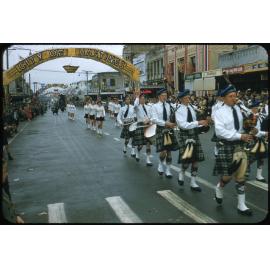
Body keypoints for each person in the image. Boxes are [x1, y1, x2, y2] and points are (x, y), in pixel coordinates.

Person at [213, 85, 254, 216]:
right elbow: (220, 132)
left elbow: (251, 118)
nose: (234, 98)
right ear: (223, 98)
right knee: (227, 176)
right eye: (230, 96)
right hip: (227, 145)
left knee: (241, 176)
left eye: (235, 96)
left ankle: (241, 205)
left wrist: (252, 127)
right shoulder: (219, 113)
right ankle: (220, 187)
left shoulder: (239, 108)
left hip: (241, 145)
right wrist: (239, 135)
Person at [175, 90, 208, 191]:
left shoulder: (192, 108)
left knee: (196, 159)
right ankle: (182, 171)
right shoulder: (178, 110)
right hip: (184, 135)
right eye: (186, 97)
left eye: (189, 97)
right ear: (181, 99)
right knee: (186, 160)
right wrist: (198, 123)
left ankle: (193, 182)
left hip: (194, 134)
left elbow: (197, 119)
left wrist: (204, 122)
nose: (188, 99)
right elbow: (183, 125)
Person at [151, 89, 179, 178]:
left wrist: (174, 121)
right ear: (159, 96)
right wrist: (166, 123)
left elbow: (173, 116)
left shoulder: (169, 105)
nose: (165, 97)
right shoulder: (154, 107)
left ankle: (168, 170)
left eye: (166, 95)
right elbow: (154, 119)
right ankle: (160, 164)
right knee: (163, 151)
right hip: (160, 129)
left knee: (169, 151)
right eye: (163, 95)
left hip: (169, 129)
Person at [246, 100, 268, 182]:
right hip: (250, 139)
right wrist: (265, 133)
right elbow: (253, 131)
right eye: (257, 107)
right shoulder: (249, 116)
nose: (259, 108)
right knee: (250, 158)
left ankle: (259, 175)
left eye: (259, 107)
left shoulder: (259, 116)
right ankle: (245, 171)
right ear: (252, 108)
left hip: (259, 139)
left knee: (261, 157)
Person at [132, 90, 153, 166]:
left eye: (144, 99)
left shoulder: (149, 107)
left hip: (147, 125)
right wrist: (137, 97)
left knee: (148, 143)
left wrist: (149, 120)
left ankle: (148, 160)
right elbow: (134, 105)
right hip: (140, 125)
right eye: (142, 99)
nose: (143, 100)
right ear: (139, 99)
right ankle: (137, 153)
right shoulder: (137, 107)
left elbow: (151, 115)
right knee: (140, 144)